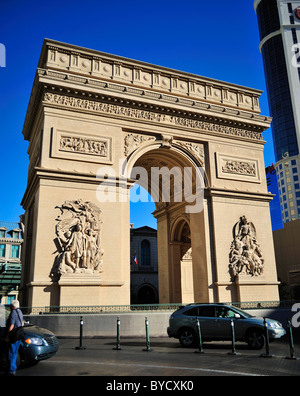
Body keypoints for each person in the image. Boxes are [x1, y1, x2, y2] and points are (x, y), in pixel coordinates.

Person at [5, 300, 24, 376]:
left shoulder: (13, 313)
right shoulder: (20, 311)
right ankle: (13, 369)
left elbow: (11, 325)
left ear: (12, 306)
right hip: (20, 334)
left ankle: (11, 370)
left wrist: (7, 336)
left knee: (11, 352)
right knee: (15, 352)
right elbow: (22, 323)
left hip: (14, 335)